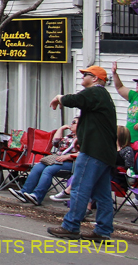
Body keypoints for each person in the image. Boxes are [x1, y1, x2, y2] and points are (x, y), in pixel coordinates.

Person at [47, 65, 117, 242]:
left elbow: (74, 100)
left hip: (93, 151)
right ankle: (103, 230)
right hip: (105, 152)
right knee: (102, 194)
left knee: (79, 188)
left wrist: (58, 97)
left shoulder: (95, 92)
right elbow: (96, 123)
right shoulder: (103, 97)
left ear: (95, 79)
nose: (82, 77)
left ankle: (70, 227)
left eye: (86, 74)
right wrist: (81, 137)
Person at [10, 117, 79, 206]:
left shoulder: (83, 138)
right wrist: (61, 128)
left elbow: (85, 153)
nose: (71, 124)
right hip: (57, 160)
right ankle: (24, 192)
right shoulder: (69, 137)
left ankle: (37, 196)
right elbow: (55, 142)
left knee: (48, 170)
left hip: (71, 163)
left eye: (74, 122)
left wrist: (68, 156)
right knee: (38, 167)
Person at [110, 61, 138, 143]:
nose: (137, 85)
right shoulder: (135, 96)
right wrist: (114, 73)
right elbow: (120, 87)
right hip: (130, 140)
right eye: (137, 83)